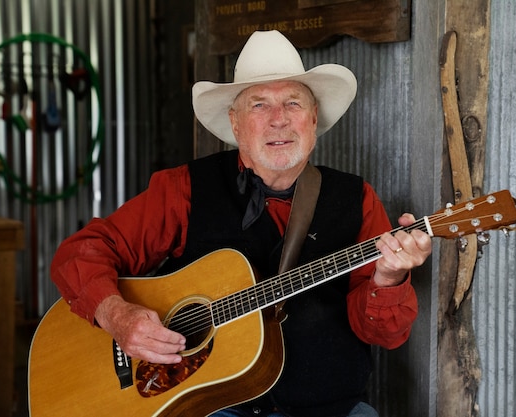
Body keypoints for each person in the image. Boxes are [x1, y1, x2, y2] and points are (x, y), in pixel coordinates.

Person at [51, 30, 432, 417]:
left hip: (329, 406)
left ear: (313, 118)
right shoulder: (184, 190)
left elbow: (385, 334)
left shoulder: (356, 198)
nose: (279, 120)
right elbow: (80, 253)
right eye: (259, 105)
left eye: (293, 103)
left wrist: (388, 279)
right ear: (235, 124)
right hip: (212, 406)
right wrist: (117, 315)